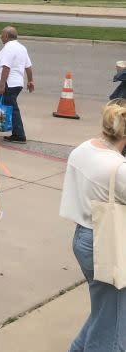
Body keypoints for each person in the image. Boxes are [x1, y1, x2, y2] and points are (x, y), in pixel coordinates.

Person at [59, 101, 126, 352]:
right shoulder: (118, 169)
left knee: (104, 311)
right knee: (114, 323)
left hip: (83, 237)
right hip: (107, 242)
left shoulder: (83, 149)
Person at [0, 26, 34, 143]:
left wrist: (2, 84)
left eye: (2, 35)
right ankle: (15, 132)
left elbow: (6, 67)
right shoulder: (22, 48)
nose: (1, 37)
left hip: (9, 83)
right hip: (17, 83)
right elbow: (28, 66)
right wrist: (30, 80)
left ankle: (19, 135)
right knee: (11, 107)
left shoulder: (8, 48)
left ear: (6, 36)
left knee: (12, 109)